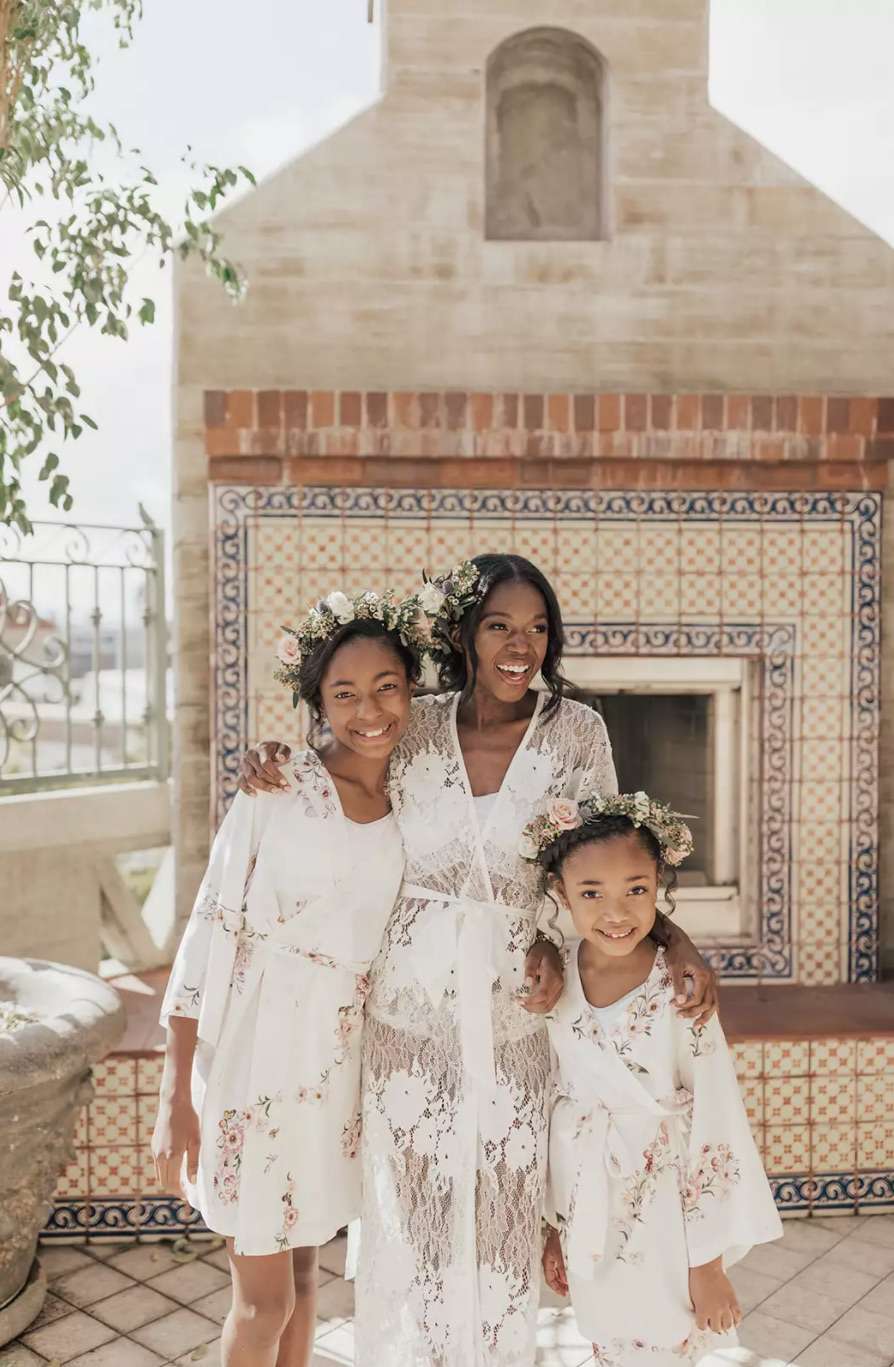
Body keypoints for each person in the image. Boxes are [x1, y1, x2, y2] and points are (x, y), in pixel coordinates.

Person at [239, 553, 718, 1367]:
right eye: (499, 624)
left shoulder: (579, 732)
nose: (518, 643)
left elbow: (612, 865)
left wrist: (674, 937)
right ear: (464, 634)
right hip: (406, 1011)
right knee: (410, 1220)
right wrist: (269, 759)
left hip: (516, 1010)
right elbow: (335, 763)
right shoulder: (415, 720)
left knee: (502, 1217)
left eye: (537, 627)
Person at [152, 590, 427, 1367]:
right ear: (317, 704)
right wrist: (176, 1092)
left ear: (412, 691)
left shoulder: (413, 800)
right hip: (254, 1057)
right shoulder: (276, 790)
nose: (368, 709)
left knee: (306, 1277)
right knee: (262, 1298)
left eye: (386, 687)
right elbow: (210, 927)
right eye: (344, 693)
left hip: (337, 1068)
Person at [530, 791, 781, 1366]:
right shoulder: (554, 976)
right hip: (584, 1193)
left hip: (664, 1201)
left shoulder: (680, 989)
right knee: (606, 1336)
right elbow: (549, 1099)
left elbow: (717, 1121)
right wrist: (553, 1225)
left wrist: (708, 1265)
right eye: (591, 893)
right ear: (559, 895)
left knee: (664, 1341)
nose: (615, 912)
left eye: (635, 891)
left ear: (660, 887)